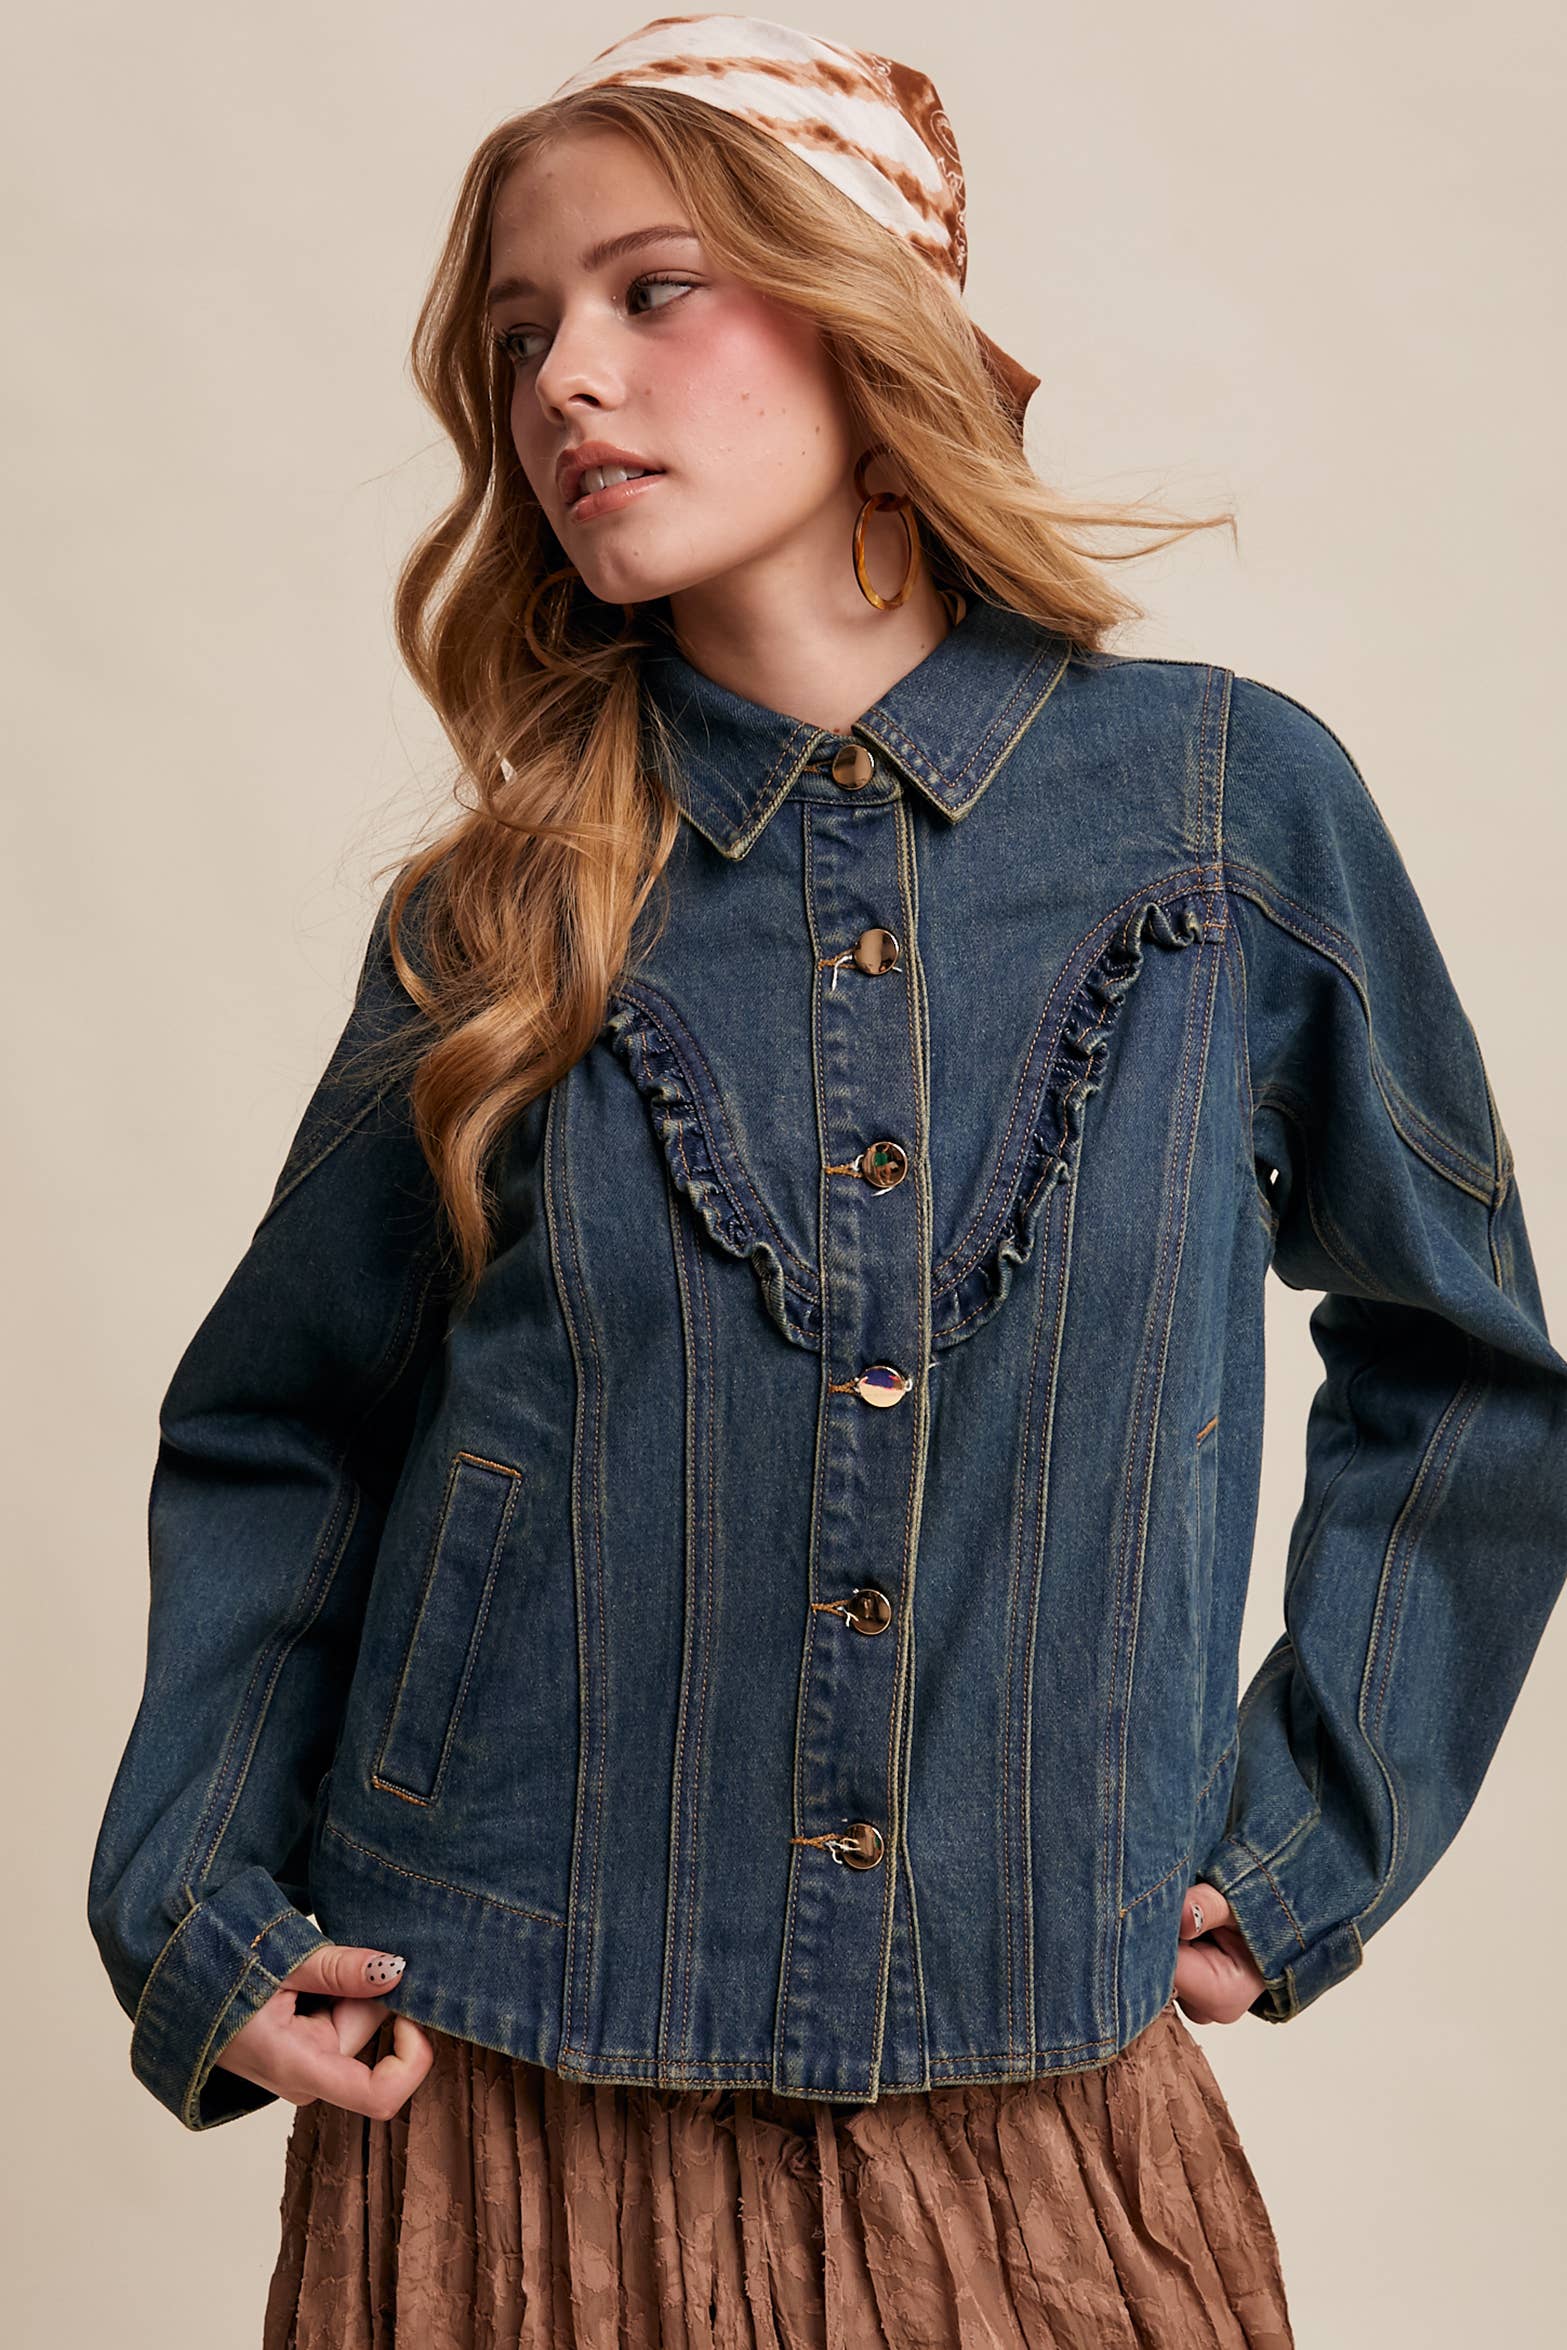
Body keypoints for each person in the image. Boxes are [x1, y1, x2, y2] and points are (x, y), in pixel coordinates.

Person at [87, 14, 1567, 2347]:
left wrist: (1307, 1834)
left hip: (1032, 2081)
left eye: (649, 288)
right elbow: (286, 1422)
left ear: (864, 312)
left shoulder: (1220, 814)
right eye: (518, 334)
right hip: (504, 2086)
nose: (566, 380)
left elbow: (1469, 1366)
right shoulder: (501, 909)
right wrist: (197, 1891)